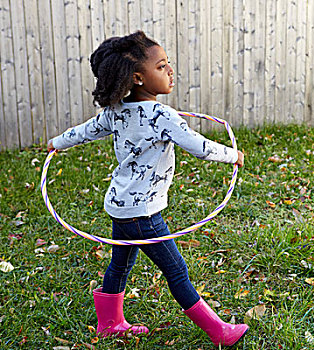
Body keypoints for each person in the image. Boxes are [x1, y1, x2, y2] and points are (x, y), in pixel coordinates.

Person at [47, 31, 248, 347]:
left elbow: (84, 132)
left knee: (120, 263)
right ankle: (218, 331)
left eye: (168, 64)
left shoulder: (115, 112)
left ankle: (110, 324)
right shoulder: (162, 116)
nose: (170, 71)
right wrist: (232, 155)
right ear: (138, 78)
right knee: (177, 272)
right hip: (143, 213)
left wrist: (56, 143)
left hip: (119, 205)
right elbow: (199, 147)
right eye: (162, 66)